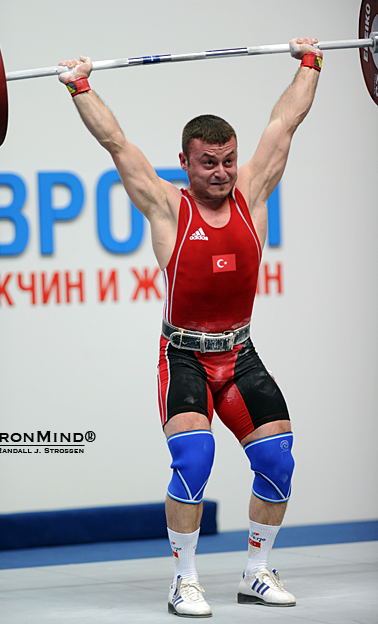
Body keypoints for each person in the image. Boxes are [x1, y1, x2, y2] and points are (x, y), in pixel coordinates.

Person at [59, 37, 323, 618]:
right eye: (209, 161)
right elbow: (116, 143)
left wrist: (311, 60)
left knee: (278, 458)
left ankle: (257, 571)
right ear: (185, 162)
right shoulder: (166, 208)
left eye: (228, 159)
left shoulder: (251, 193)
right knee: (194, 459)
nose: (223, 171)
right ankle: (184, 580)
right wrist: (80, 84)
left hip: (242, 353)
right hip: (183, 357)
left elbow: (286, 122)